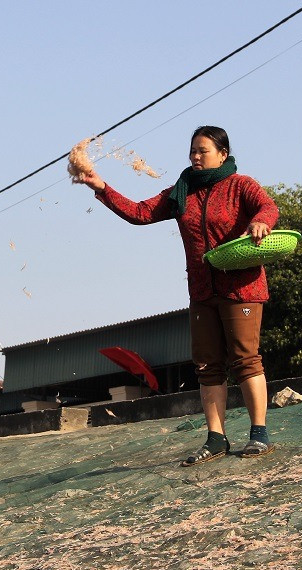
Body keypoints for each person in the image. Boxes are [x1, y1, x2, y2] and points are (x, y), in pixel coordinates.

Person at [73, 125, 279, 465]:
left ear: (223, 155)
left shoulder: (241, 185)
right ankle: (216, 438)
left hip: (241, 288)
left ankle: (259, 434)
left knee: (246, 360)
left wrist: (260, 222)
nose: (195, 157)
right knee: (207, 366)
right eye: (192, 151)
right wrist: (102, 188)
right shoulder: (182, 192)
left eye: (203, 151)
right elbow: (140, 212)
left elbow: (267, 208)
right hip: (202, 290)